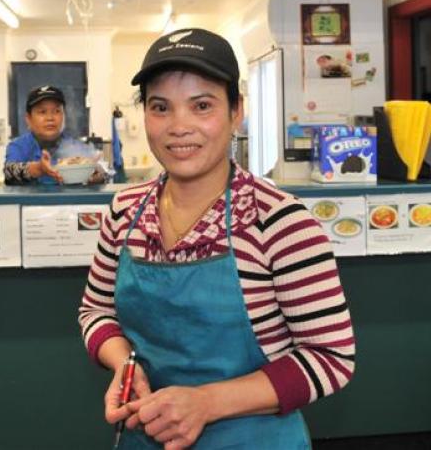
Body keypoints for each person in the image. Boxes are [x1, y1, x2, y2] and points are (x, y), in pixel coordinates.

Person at [78, 28, 355, 449]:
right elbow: (95, 310)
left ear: (236, 111)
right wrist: (125, 366)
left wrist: (205, 403)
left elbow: (330, 358)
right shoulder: (125, 210)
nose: (179, 127)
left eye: (202, 105)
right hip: (144, 434)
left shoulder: (280, 222)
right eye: (160, 107)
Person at [4, 85, 104, 185]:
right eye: (42, 112)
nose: (50, 118)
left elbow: (102, 174)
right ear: (28, 119)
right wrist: (39, 168)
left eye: (57, 111)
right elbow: (9, 172)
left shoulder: (74, 145)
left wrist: (96, 174)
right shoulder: (19, 146)